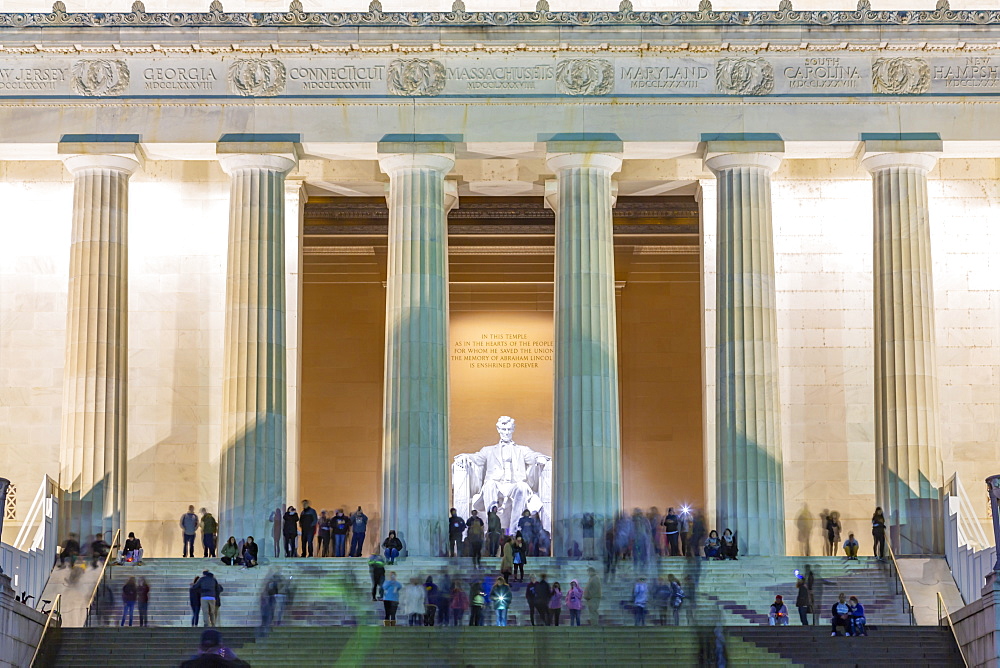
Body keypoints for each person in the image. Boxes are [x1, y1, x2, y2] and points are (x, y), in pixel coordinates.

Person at [452, 416, 551, 535]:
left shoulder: (521, 450)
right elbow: (477, 458)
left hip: (514, 485)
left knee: (522, 487)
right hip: (497, 485)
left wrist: (539, 457)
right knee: (489, 485)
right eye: (503, 429)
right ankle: (491, 528)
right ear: (498, 429)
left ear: (513, 429)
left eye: (509, 429)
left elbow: (532, 456)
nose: (506, 432)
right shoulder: (488, 450)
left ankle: (514, 530)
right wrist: (465, 456)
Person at [179, 629, 250, 668]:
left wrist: (198, 658)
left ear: (200, 646)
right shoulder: (230, 665)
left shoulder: (188, 665)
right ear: (221, 646)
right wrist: (235, 659)